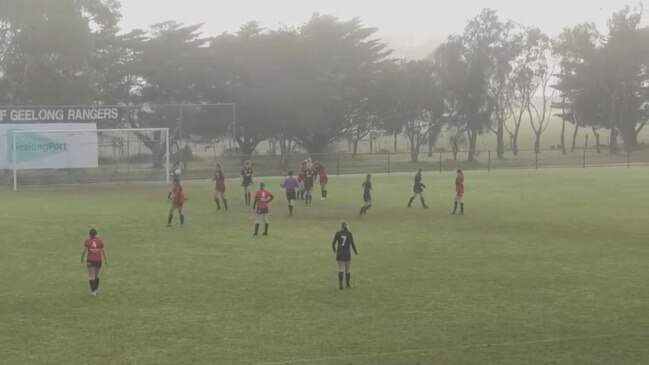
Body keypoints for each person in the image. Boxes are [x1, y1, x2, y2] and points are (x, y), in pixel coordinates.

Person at [80, 228, 108, 296]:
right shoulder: (99, 241)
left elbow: (84, 251)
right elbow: (103, 250)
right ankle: (96, 289)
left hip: (90, 260)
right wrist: (105, 259)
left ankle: (93, 291)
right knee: (97, 275)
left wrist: (82, 258)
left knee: (91, 275)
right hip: (98, 260)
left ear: (90, 234)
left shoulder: (87, 241)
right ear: (96, 234)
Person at [332, 221, 358, 290]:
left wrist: (334, 250)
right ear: (347, 226)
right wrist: (356, 252)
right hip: (347, 253)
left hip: (340, 253)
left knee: (341, 268)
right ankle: (347, 284)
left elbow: (333, 243)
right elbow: (352, 244)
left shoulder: (338, 233)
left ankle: (340, 285)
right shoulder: (349, 233)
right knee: (347, 269)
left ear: (341, 226)